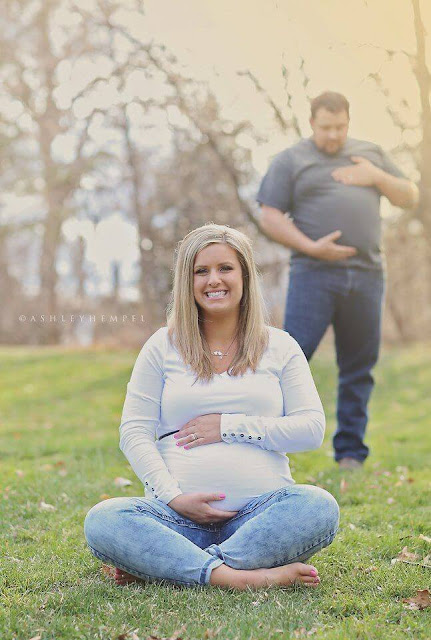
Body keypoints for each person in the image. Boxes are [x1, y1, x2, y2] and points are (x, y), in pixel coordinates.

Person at [84, 223, 339, 590]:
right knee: (104, 519)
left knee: (318, 506)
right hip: (174, 520)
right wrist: (174, 497)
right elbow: (134, 431)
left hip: (258, 517)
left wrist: (227, 425)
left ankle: (177, 565)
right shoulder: (162, 346)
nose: (213, 280)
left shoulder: (280, 346)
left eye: (225, 268)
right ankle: (241, 577)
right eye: (200, 271)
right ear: (186, 283)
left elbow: (311, 429)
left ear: (245, 276)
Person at [257, 91, 419, 470]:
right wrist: (311, 247)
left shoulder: (370, 153)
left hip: (367, 273)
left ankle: (350, 453)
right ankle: (264, 442)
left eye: (340, 127)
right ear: (311, 122)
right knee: (289, 358)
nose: (333, 135)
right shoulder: (290, 160)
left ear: (349, 121)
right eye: (326, 128)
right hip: (314, 274)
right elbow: (270, 215)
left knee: (359, 365)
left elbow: (409, 196)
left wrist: (376, 176)